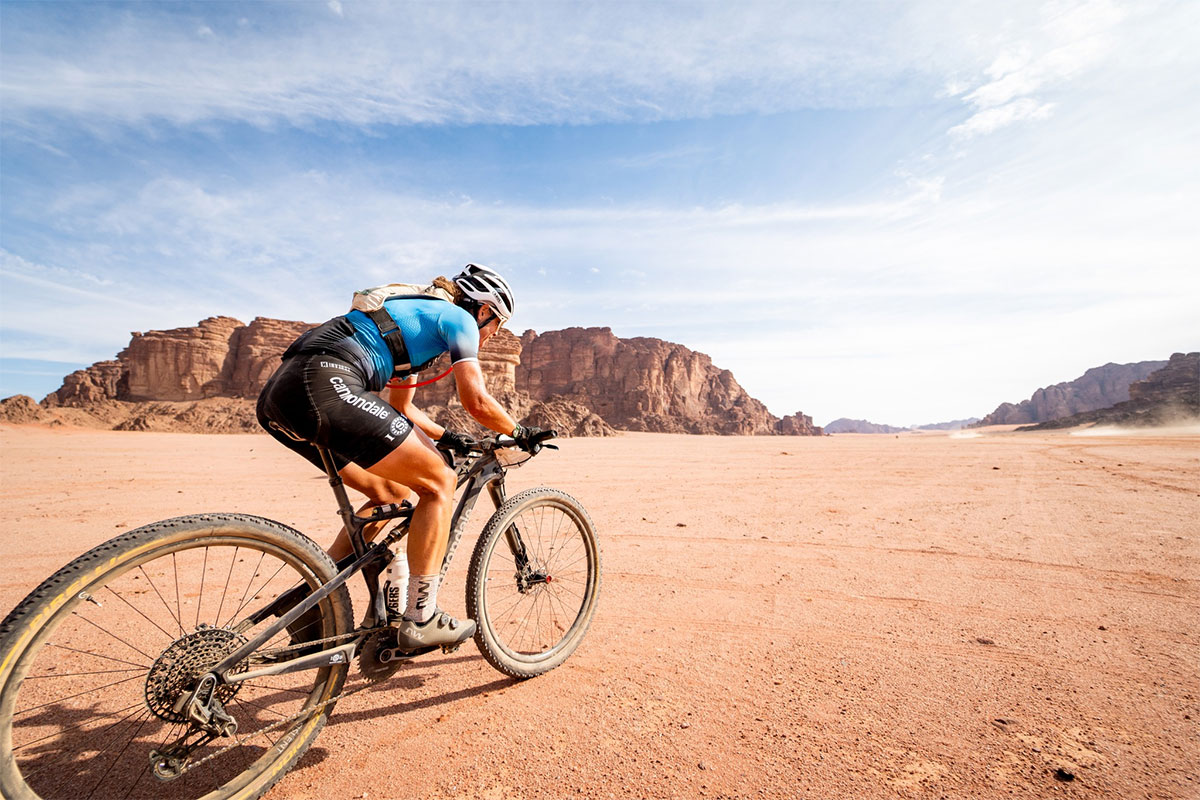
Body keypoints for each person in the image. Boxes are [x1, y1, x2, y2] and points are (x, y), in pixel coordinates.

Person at [256, 264, 542, 651]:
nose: (493, 335)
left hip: (281, 395)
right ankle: (422, 617)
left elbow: (402, 408)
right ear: (484, 310)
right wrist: (519, 432)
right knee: (441, 481)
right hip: (326, 382)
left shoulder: (406, 323)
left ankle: (313, 596)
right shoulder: (459, 319)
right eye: (497, 323)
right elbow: (475, 399)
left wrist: (449, 436)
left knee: (389, 494)